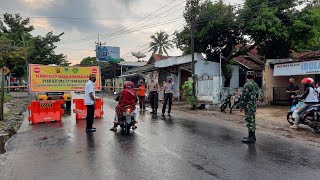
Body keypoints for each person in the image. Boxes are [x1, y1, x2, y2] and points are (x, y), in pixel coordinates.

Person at [239, 71, 259, 144]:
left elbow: (244, 96)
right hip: (253, 105)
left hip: (248, 105)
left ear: (246, 76)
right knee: (252, 120)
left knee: (249, 121)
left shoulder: (247, 85)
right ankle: (251, 136)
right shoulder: (255, 85)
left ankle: (251, 138)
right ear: (254, 77)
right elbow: (257, 95)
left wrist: (241, 106)